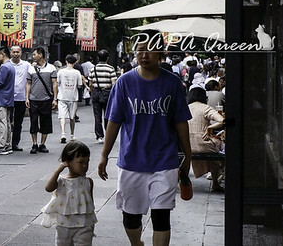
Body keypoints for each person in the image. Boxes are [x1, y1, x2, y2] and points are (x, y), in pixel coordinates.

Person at [97, 30, 192, 246]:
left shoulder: (173, 83)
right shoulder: (124, 82)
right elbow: (114, 121)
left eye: (150, 49)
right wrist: (104, 155)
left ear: (161, 53)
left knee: (161, 216)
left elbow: (180, 121)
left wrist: (188, 153)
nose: (144, 54)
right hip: (132, 159)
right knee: (130, 215)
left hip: (164, 160)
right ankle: (136, 243)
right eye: (140, 50)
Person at [41, 141, 97, 245]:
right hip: (64, 225)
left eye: (87, 162)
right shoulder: (61, 181)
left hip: (84, 225)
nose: (85, 166)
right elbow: (48, 188)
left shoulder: (88, 182)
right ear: (68, 162)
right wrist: (58, 170)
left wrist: (91, 223)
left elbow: (91, 205)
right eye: (81, 162)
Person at [187, 87, 225, 192]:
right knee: (219, 145)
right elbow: (222, 121)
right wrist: (209, 128)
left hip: (187, 145)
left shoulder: (185, 108)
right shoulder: (206, 108)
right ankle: (215, 183)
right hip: (203, 145)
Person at [26, 47, 58, 154]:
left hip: (46, 99)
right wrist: (27, 97)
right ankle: (34, 144)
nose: (33, 56)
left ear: (40, 55)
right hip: (33, 99)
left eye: (35, 54)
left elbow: (54, 84)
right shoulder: (31, 69)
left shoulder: (51, 68)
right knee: (33, 122)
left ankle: (42, 144)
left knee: (46, 121)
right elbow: (28, 84)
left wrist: (55, 98)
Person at [87, 49, 117, 144]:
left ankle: (99, 136)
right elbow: (114, 84)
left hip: (96, 93)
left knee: (97, 115)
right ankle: (108, 134)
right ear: (107, 58)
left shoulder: (93, 69)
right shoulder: (111, 69)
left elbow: (90, 84)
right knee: (107, 115)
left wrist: (92, 92)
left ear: (98, 58)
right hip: (107, 94)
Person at [57, 55, 84, 143]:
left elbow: (58, 83)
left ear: (66, 61)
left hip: (62, 96)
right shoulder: (77, 72)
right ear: (75, 62)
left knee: (62, 116)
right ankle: (72, 134)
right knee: (72, 117)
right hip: (73, 96)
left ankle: (63, 133)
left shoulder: (60, 72)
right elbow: (79, 85)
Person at [9, 46, 31, 152]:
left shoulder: (26, 65)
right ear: (10, 53)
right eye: (14, 52)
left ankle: (15, 143)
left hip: (21, 98)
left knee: (18, 122)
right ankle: (6, 142)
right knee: (7, 121)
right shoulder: (7, 65)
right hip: (8, 98)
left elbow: (29, 81)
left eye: (17, 52)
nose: (16, 54)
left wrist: (27, 97)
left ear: (21, 53)